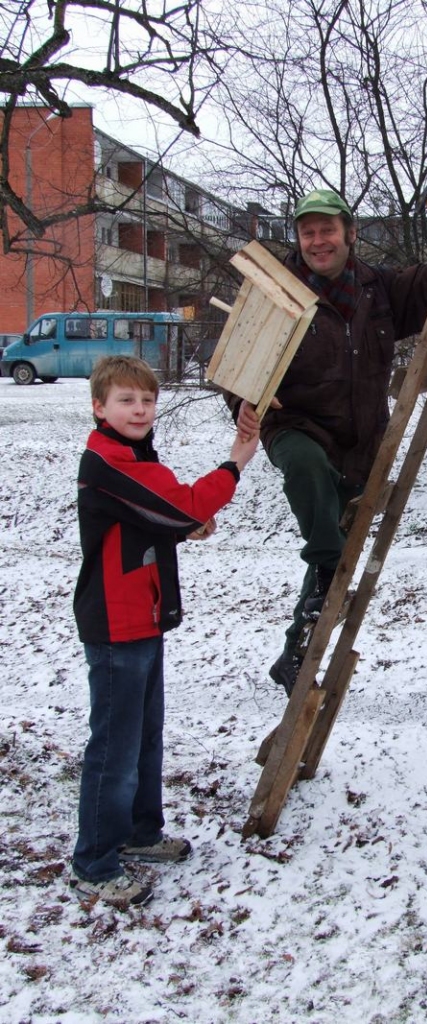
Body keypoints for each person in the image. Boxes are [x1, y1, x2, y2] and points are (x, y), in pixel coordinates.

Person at [231, 188, 427, 697]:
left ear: (349, 235)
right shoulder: (277, 290)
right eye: (308, 232)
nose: (318, 241)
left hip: (359, 441)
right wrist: (242, 403)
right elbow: (239, 366)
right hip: (296, 426)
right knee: (311, 484)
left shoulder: (378, 289)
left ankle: (295, 653)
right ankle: (328, 562)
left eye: (327, 230)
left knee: (329, 550)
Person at [70, 355, 260, 909]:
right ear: (99, 408)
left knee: (145, 736)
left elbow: (155, 517)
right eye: (126, 401)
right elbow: (179, 503)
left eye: (147, 400)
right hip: (116, 623)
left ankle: (139, 833)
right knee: (114, 744)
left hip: (145, 617)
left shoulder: (133, 454)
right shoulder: (109, 460)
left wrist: (180, 524)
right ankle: (95, 863)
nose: (139, 409)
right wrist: (235, 461)